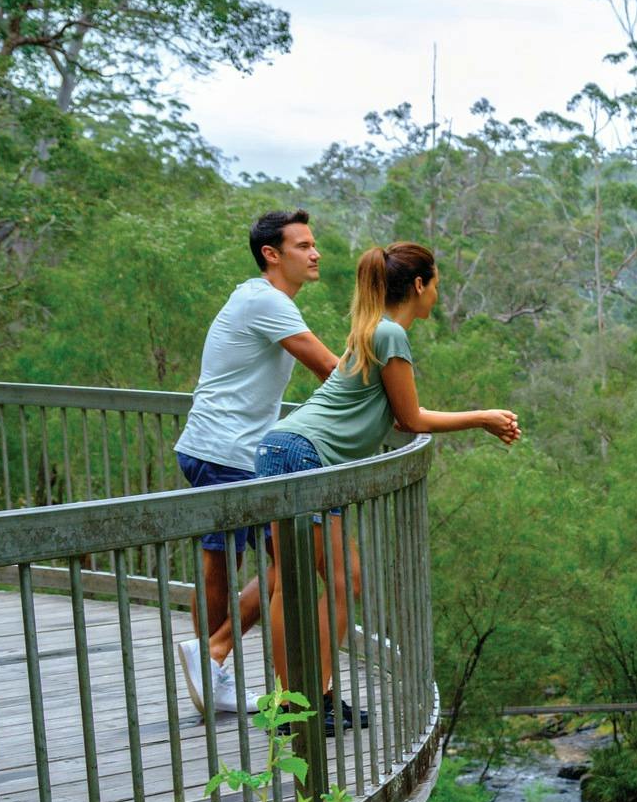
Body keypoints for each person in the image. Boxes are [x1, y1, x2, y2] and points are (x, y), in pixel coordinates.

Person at [255, 242, 520, 735]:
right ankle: (305, 706)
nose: (437, 293)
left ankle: (297, 701)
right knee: (335, 582)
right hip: (306, 456)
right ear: (419, 285)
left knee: (296, 582)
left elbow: (390, 416)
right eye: (436, 283)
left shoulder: (370, 329)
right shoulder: (391, 333)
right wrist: (482, 417)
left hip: (282, 449)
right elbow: (411, 418)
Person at [172, 209, 338, 717]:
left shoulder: (260, 298)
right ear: (272, 254)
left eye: (313, 245)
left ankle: (213, 662)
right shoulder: (267, 301)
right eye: (302, 246)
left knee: (258, 561)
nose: (314, 254)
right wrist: (389, 403)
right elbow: (328, 367)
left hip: (221, 447)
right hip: (226, 450)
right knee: (255, 561)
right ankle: (214, 662)